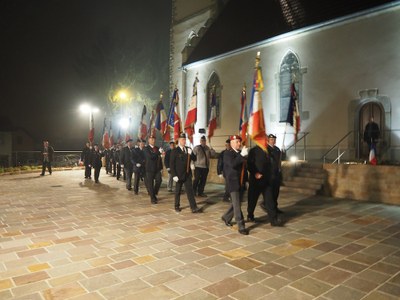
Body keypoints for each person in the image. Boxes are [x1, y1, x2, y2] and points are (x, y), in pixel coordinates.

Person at [247, 137, 283, 227]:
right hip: (256, 180)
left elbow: (272, 163)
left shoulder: (269, 150)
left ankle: (273, 220)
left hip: (266, 180)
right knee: (252, 199)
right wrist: (255, 173)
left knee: (269, 200)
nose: (264, 141)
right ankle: (250, 215)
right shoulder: (253, 151)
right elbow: (249, 164)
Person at [221, 135, 249, 235]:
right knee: (237, 205)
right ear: (232, 143)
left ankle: (226, 217)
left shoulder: (240, 153)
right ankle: (241, 226)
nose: (239, 144)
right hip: (232, 182)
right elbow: (233, 164)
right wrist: (242, 155)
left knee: (235, 203)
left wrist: (246, 180)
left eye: (239, 142)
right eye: (237, 142)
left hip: (241, 182)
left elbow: (244, 169)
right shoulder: (228, 153)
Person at [170, 133, 202, 213]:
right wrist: (174, 175)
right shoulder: (175, 151)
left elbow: (194, 158)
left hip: (187, 174)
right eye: (182, 140)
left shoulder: (188, 149)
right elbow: (172, 164)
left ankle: (193, 207)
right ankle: (176, 206)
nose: (184, 141)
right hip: (179, 175)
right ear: (179, 141)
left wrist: (191, 154)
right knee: (178, 191)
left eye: (185, 139)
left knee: (190, 191)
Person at [143, 135, 163, 204]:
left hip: (157, 169)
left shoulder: (157, 148)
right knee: (150, 184)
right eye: (151, 139)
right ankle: (152, 198)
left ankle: (153, 193)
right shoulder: (146, 149)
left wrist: (161, 167)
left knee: (159, 180)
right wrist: (158, 153)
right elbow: (150, 157)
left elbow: (159, 159)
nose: (153, 141)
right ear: (149, 140)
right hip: (149, 169)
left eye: (154, 139)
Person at [267, 134, 283, 214]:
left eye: (274, 139)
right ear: (268, 140)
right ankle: (271, 208)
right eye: (271, 139)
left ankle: (275, 207)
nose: (273, 141)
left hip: (277, 173)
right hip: (270, 174)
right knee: (271, 193)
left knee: (276, 192)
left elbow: (279, 161)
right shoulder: (266, 149)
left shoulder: (277, 149)